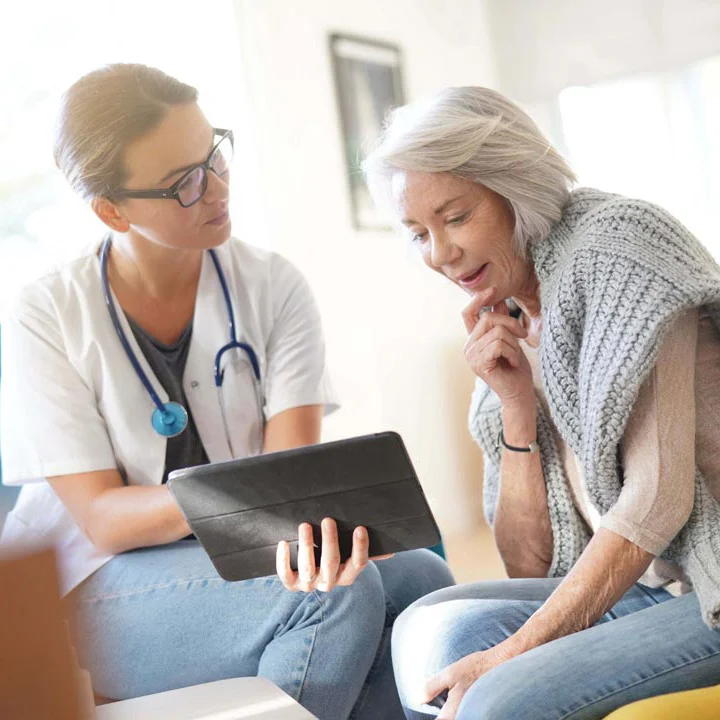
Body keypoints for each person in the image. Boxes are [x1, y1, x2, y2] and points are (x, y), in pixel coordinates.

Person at [0, 64, 453, 720]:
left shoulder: (273, 287)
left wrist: (285, 516)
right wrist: (241, 504)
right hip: (95, 585)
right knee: (330, 600)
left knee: (423, 582)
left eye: (213, 153)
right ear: (111, 209)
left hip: (237, 554)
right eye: (184, 182)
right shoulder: (47, 314)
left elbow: (289, 485)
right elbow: (103, 517)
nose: (215, 188)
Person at [362, 86, 720, 720]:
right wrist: (516, 406)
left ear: (514, 185)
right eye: (419, 232)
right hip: (646, 587)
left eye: (456, 217)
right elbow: (530, 562)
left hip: (707, 584)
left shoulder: (617, 247)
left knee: (499, 695)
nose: (440, 254)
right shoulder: (507, 311)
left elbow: (660, 498)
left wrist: (515, 652)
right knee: (427, 630)